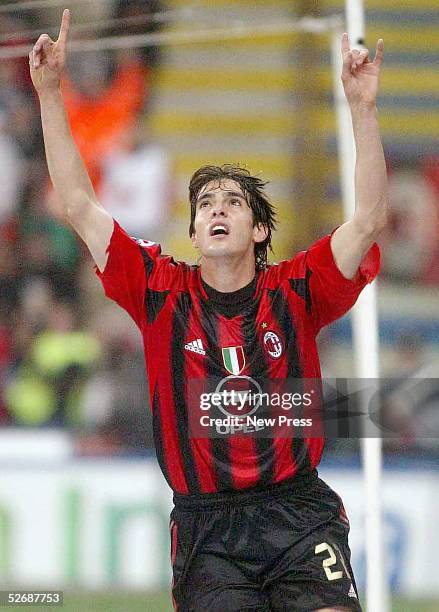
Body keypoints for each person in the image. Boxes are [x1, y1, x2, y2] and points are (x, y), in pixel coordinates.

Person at [29, 9, 387, 611]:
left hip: (298, 515)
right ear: (193, 229)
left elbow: (370, 218)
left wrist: (362, 109)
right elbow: (78, 206)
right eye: (205, 203)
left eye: (233, 201)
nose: (218, 209)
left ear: (259, 228)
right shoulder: (160, 291)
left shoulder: (297, 288)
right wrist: (48, 92)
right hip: (207, 530)